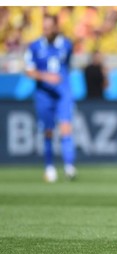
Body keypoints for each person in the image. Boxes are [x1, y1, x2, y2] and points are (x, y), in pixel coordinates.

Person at [24, 14, 77, 183]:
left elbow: (67, 64)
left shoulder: (67, 44)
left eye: (48, 27)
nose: (45, 30)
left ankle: (69, 167)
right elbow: (29, 71)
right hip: (44, 94)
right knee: (48, 131)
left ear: (56, 27)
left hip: (63, 93)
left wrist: (60, 80)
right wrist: (47, 77)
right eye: (44, 27)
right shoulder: (34, 46)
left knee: (66, 128)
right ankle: (49, 167)